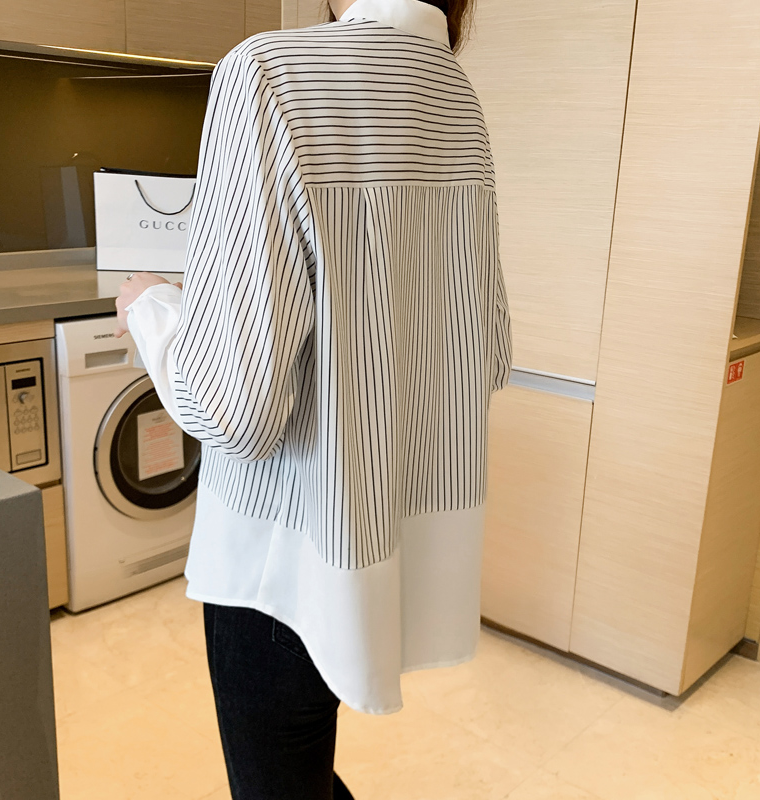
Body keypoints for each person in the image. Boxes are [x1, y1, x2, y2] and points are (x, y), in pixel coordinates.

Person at [115, 0, 512, 797]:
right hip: (384, 533)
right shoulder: (453, 93)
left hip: (279, 556)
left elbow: (229, 408)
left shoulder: (267, 75)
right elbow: (489, 345)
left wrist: (151, 308)